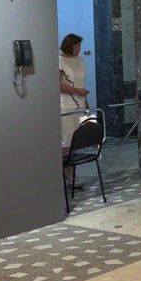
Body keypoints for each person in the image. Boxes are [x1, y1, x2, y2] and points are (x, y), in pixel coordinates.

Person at [59, 34, 89, 185]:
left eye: (79, 47)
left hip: (79, 104)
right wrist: (77, 91)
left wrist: (85, 100)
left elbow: (81, 80)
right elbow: (58, 85)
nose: (78, 49)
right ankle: (68, 175)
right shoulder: (60, 61)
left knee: (75, 141)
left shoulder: (80, 60)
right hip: (66, 106)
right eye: (76, 47)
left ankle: (73, 174)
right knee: (67, 140)